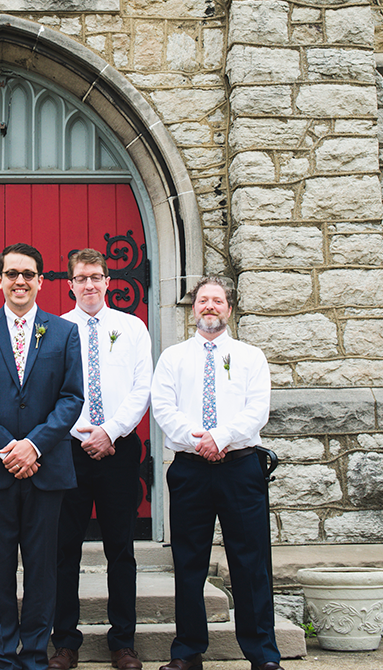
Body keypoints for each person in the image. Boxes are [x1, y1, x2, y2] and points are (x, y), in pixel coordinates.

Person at [0, 243, 84, 670]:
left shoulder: (64, 333)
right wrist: (8, 448)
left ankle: (34, 656)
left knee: (43, 571)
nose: (20, 281)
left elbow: (71, 398)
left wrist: (35, 445)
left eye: (28, 274)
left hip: (46, 470)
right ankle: (4, 658)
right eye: (12, 273)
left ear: (42, 281)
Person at [150, 276, 283, 670]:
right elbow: (163, 407)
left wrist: (220, 437)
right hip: (190, 470)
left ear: (228, 308)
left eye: (217, 300)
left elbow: (257, 410)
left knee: (249, 561)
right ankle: (188, 651)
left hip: (240, 468)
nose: (210, 306)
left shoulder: (250, 356)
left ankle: (262, 654)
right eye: (203, 300)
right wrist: (199, 441)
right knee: (189, 562)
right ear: (194, 309)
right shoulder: (173, 358)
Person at [50, 248, 152, 670]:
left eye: (96, 277)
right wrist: (79, 433)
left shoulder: (132, 327)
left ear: (108, 281)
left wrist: (109, 431)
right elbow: (49, 391)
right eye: (81, 278)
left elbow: (141, 387)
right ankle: (65, 642)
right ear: (70, 284)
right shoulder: (55, 330)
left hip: (118, 449)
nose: (88, 285)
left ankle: (122, 642)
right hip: (68, 451)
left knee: (120, 549)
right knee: (63, 549)